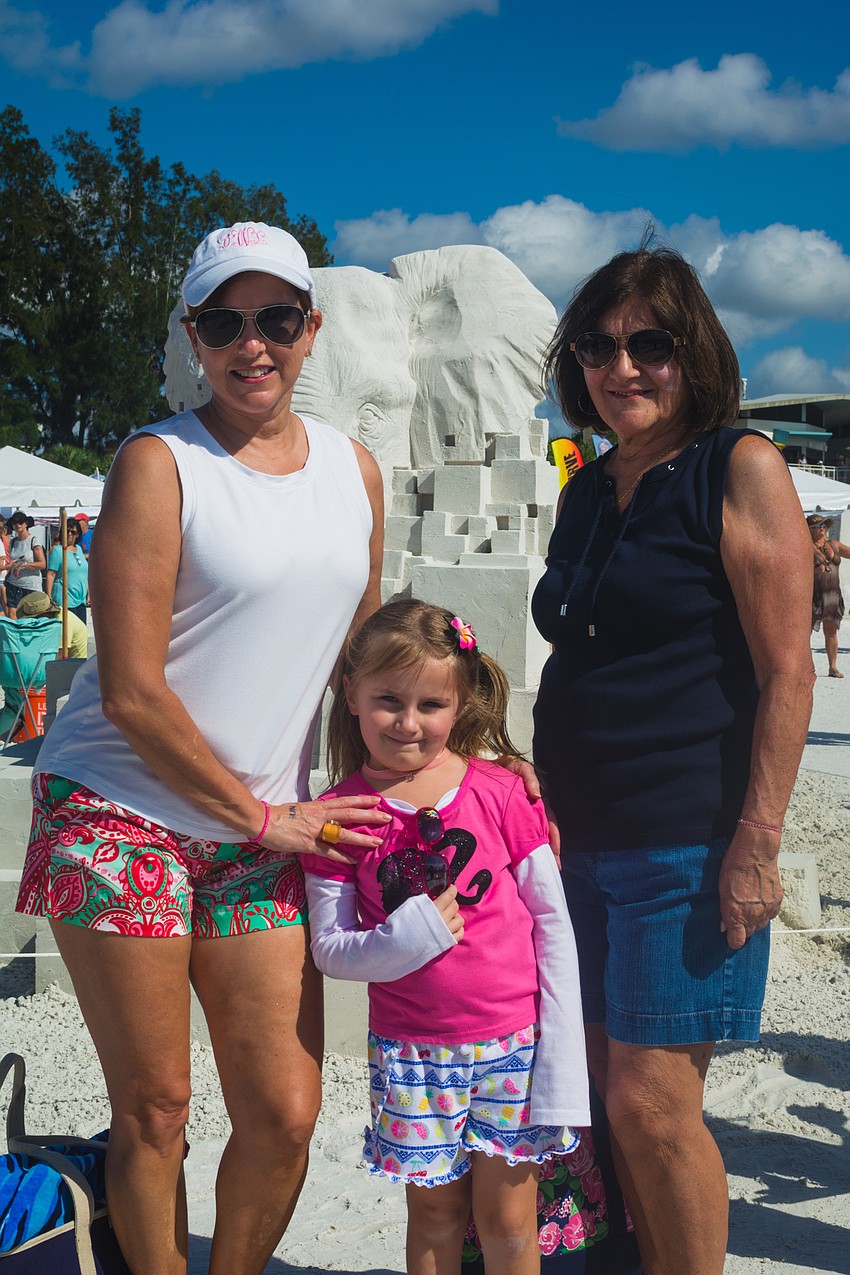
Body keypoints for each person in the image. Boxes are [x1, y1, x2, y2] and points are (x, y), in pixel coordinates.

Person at [14, 221, 389, 1275]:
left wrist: (423, 784)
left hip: (262, 824)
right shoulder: (157, 459)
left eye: (275, 318)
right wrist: (266, 818)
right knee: (159, 1104)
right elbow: (130, 690)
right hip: (120, 807)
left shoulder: (353, 473)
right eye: (224, 320)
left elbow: (359, 664)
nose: (251, 343)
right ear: (193, 334)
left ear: (310, 331)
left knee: (283, 1109)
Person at [531, 243, 814, 1275]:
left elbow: (788, 672)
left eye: (649, 342)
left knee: (652, 1106)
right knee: (600, 1101)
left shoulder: (735, 467)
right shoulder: (587, 486)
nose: (624, 366)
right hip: (572, 843)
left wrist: (756, 841)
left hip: (686, 843)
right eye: (599, 346)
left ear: (690, 351)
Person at [302, 599, 590, 1275]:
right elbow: (331, 949)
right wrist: (416, 932)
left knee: (510, 1221)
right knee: (433, 1218)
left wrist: (562, 1052)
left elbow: (552, 920)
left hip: (513, 1047)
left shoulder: (499, 791)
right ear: (350, 695)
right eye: (388, 700)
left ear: (459, 703)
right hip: (411, 1054)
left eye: (431, 703)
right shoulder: (339, 816)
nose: (408, 722)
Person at [808, 514, 849, 678]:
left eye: (824, 525)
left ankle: (832, 668)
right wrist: (813, 571)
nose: (822, 528)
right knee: (805, 634)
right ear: (810, 529)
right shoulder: (805, 546)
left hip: (833, 596)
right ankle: (804, 667)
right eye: (818, 526)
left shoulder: (834, 544)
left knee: (831, 632)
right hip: (813, 596)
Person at [15, 590, 89, 658]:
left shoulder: (62, 623)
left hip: (73, 666)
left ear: (43, 615)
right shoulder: (56, 617)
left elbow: (60, 657)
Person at [45, 518, 89, 623]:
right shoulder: (57, 550)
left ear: (78, 534)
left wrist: (88, 595)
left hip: (80, 600)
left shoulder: (78, 549)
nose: (70, 534)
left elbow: (84, 573)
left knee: (80, 633)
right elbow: (51, 574)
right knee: (67, 633)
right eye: (67, 531)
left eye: (73, 532)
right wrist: (48, 596)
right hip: (65, 599)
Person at [5, 512, 46, 615]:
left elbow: (42, 564)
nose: (17, 524)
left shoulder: (33, 540)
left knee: (29, 617)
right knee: (12, 614)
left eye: (20, 521)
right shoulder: (13, 542)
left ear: (26, 524)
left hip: (30, 586)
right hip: (13, 584)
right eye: (15, 522)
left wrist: (25, 565)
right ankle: (15, 631)